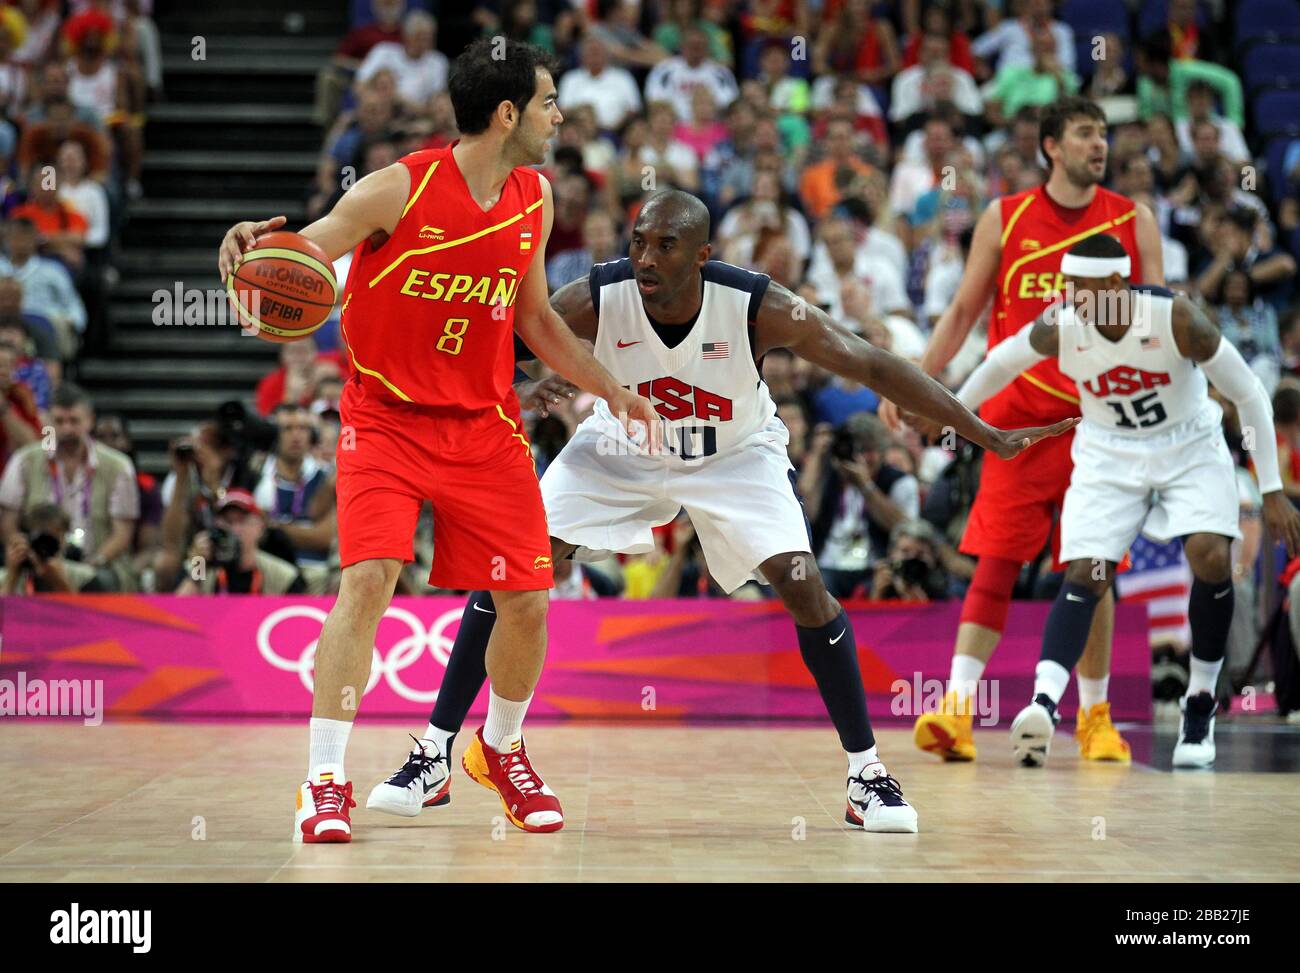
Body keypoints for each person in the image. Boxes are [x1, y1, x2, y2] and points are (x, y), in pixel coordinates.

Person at [366, 188, 1075, 834]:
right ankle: (439, 751)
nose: (645, 255)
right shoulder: (600, 294)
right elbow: (499, 339)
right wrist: (524, 372)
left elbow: (871, 363)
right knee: (517, 570)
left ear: (703, 255)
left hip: (735, 455)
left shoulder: (757, 304)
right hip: (622, 444)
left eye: (665, 245)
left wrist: (981, 431)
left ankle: (865, 774)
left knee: (804, 582)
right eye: (638, 240)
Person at [217, 38, 657, 843]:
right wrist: (251, 244)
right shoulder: (398, 187)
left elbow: (534, 321)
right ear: (508, 112)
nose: (561, 117)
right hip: (384, 418)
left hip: (483, 426)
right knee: (371, 579)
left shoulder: (536, 198)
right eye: (550, 103)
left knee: (527, 596)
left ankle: (501, 747)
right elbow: (307, 250)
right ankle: (323, 779)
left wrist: (611, 389)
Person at [942, 234, 1300, 767]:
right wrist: (951, 412)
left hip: (1188, 445)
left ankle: (1199, 701)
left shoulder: (1176, 319)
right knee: (1086, 569)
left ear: (1113, 286)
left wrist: (1270, 487)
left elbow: (1248, 392)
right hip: (1110, 451)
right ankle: (1044, 702)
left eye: (1077, 288)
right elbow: (999, 363)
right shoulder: (1065, 324)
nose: (1066, 297)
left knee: (1208, 554)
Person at [880, 96, 1165, 763]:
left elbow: (1160, 321)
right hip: (1013, 422)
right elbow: (959, 312)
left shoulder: (1133, 218)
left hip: (1100, 427)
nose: (1100, 145)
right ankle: (955, 710)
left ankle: (1094, 717)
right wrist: (914, 381)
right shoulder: (1004, 216)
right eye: (1086, 134)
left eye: (1104, 134)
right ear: (1051, 146)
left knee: (1092, 569)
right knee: (996, 562)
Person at [0, 382, 138, 590]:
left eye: (74, 421)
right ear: (47, 421)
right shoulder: (25, 460)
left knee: (97, 581)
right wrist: (24, 553)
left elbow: (122, 534)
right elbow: (8, 523)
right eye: (59, 421)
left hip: (97, 564)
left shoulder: (118, 466)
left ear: (89, 421)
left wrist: (94, 562)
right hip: (36, 560)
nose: (67, 429)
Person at [175, 488, 305, 596]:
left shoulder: (283, 575)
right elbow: (179, 613)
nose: (235, 530)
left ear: (261, 527)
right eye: (228, 522)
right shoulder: (200, 566)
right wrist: (200, 564)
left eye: (242, 521)